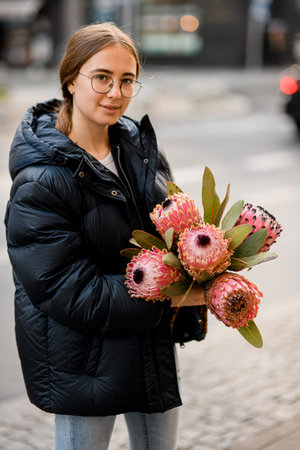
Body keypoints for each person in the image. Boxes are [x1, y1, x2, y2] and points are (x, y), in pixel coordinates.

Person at [5, 22, 207, 450]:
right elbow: (64, 288)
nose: (115, 92)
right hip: (83, 362)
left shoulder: (136, 146)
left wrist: (204, 261)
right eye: (101, 77)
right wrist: (168, 293)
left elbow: (173, 224)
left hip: (148, 347)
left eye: (127, 80)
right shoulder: (41, 180)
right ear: (70, 80)